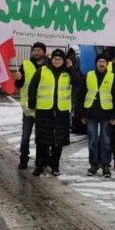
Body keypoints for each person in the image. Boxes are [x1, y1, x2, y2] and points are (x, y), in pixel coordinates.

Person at [28, 48, 77, 176]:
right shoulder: (42, 71)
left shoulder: (68, 72)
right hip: (44, 111)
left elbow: (78, 82)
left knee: (58, 141)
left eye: (59, 59)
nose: (57, 61)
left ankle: (55, 165)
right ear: (51, 59)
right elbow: (32, 87)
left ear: (64, 60)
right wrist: (32, 103)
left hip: (61, 112)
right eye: (55, 58)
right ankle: (40, 165)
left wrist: (71, 68)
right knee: (42, 141)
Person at [79, 53, 115, 177]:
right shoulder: (88, 76)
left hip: (106, 114)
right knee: (92, 140)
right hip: (90, 113)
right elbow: (81, 96)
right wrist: (81, 114)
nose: (101, 64)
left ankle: (106, 165)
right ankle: (93, 164)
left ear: (107, 64)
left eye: (104, 61)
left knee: (106, 141)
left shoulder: (113, 77)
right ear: (96, 63)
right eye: (99, 61)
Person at [15, 42, 47, 169]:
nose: (36, 52)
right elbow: (19, 85)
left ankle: (40, 160)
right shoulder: (25, 64)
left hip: (43, 106)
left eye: (39, 50)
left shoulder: (49, 66)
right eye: (35, 50)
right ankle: (23, 158)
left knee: (41, 136)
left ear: (44, 52)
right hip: (28, 107)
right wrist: (17, 79)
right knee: (25, 135)